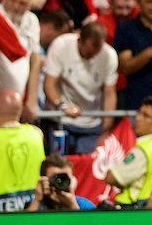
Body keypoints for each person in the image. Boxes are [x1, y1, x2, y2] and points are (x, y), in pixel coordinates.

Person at [44, 22, 119, 154]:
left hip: (91, 122)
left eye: (96, 53)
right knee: (58, 164)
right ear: (79, 40)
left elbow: (109, 94)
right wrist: (62, 106)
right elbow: (49, 84)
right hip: (61, 119)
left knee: (88, 167)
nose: (92, 56)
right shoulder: (61, 45)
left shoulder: (109, 56)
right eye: (88, 52)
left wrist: (106, 130)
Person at [104, 96, 152, 207]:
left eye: (146, 116)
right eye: (139, 113)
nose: (138, 118)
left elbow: (111, 178)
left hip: (138, 209)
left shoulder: (144, 150)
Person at [26, 155, 96, 211]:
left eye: (64, 178)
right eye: (55, 178)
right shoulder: (36, 205)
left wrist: (73, 206)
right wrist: (37, 200)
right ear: (44, 180)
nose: (60, 182)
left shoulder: (85, 206)